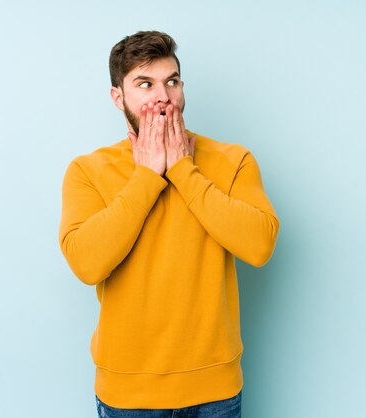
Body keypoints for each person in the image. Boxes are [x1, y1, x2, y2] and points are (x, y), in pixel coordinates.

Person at [58, 30, 279, 417]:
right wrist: (147, 177)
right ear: (118, 97)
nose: (163, 95)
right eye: (145, 84)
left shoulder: (233, 160)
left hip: (215, 392)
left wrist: (183, 171)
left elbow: (259, 246)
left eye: (171, 81)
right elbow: (86, 264)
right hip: (128, 396)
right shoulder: (87, 171)